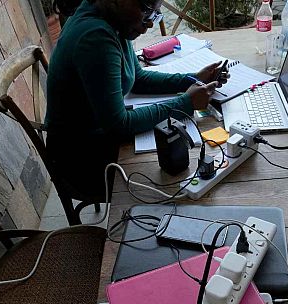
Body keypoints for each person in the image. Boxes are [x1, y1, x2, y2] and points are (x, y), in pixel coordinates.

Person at [45, 0, 229, 199]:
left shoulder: (111, 18)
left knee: (177, 160)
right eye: (146, 10)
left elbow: (138, 78)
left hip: (99, 137)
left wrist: (192, 79)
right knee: (179, 182)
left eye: (155, 13)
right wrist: (186, 103)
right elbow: (120, 124)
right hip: (83, 161)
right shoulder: (95, 38)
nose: (150, 23)